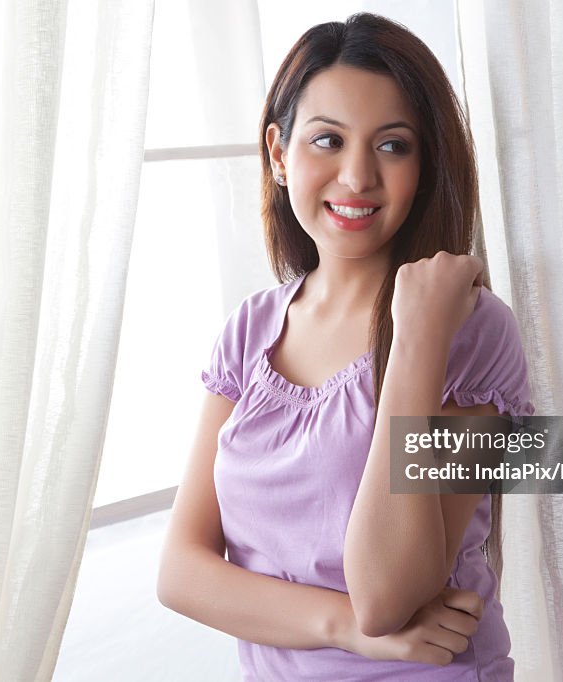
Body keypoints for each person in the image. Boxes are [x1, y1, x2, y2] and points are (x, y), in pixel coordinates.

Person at [157, 12, 533, 681]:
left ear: (427, 163)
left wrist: (416, 335)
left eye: (393, 146)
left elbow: (390, 595)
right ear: (278, 153)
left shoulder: (473, 335)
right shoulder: (250, 332)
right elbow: (182, 572)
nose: (357, 177)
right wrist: (349, 631)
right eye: (328, 140)